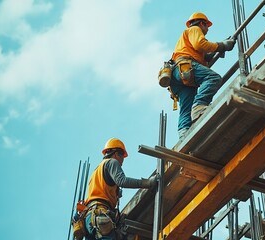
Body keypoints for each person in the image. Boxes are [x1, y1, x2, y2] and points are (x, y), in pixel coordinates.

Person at [169, 12, 236, 140]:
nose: (207, 30)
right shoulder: (195, 29)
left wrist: (217, 51)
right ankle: (200, 105)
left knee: (186, 106)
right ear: (201, 23)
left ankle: (184, 135)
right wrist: (221, 45)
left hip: (178, 74)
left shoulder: (185, 41)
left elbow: (201, 55)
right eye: (207, 26)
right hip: (185, 66)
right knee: (213, 78)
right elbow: (200, 44)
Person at [83, 138, 157, 239]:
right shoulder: (112, 162)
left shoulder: (97, 171)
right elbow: (122, 181)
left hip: (89, 219)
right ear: (117, 153)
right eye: (122, 157)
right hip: (100, 214)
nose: (122, 161)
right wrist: (147, 183)